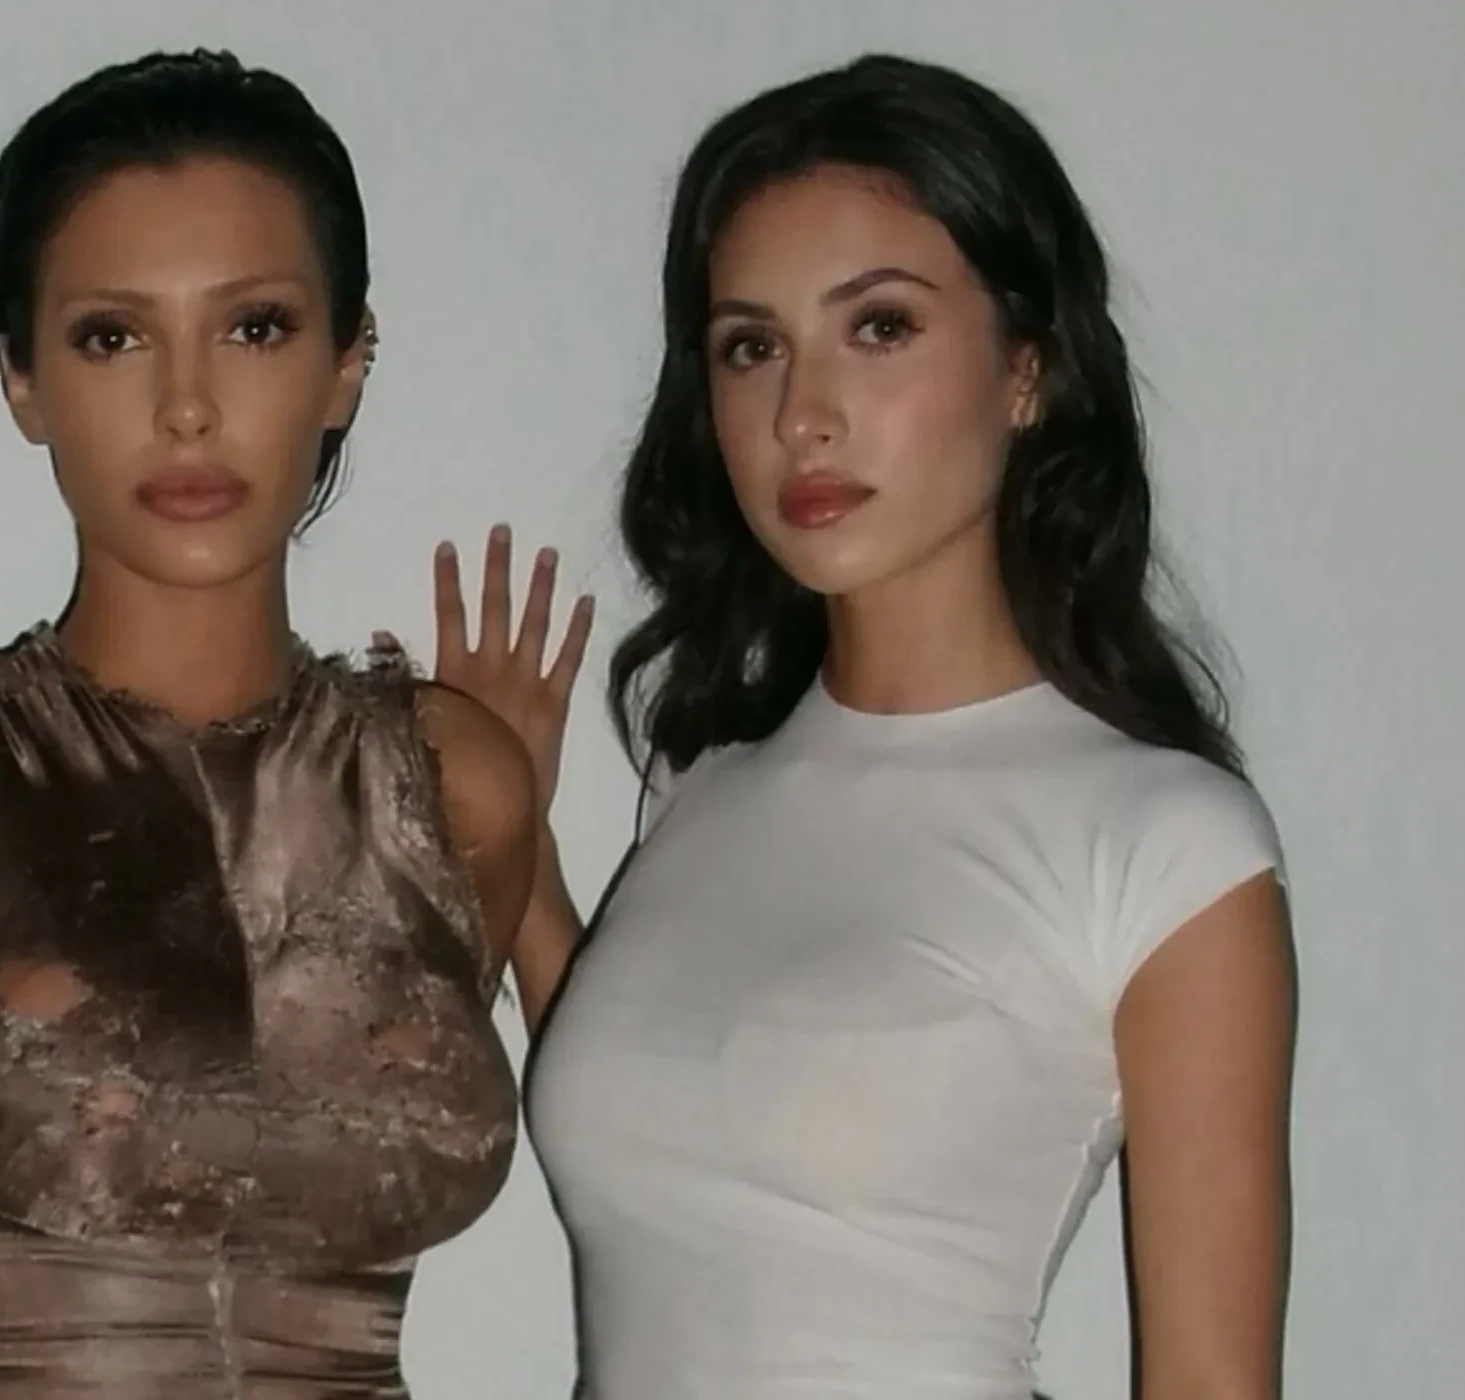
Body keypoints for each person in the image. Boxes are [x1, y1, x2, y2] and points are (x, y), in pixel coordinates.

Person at [432, 54, 1295, 1400]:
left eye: (879, 327)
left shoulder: (1166, 847)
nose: (802, 415)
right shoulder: (704, 785)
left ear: (1027, 368)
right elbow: (694, 1152)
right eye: (751, 347)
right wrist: (521, 845)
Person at [0, 50, 539, 1400]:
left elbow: (660, 1178)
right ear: (20, 379)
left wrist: (541, 820)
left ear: (346, 362)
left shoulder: (454, 785)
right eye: (111, 337)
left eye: (254, 327)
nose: (186, 405)